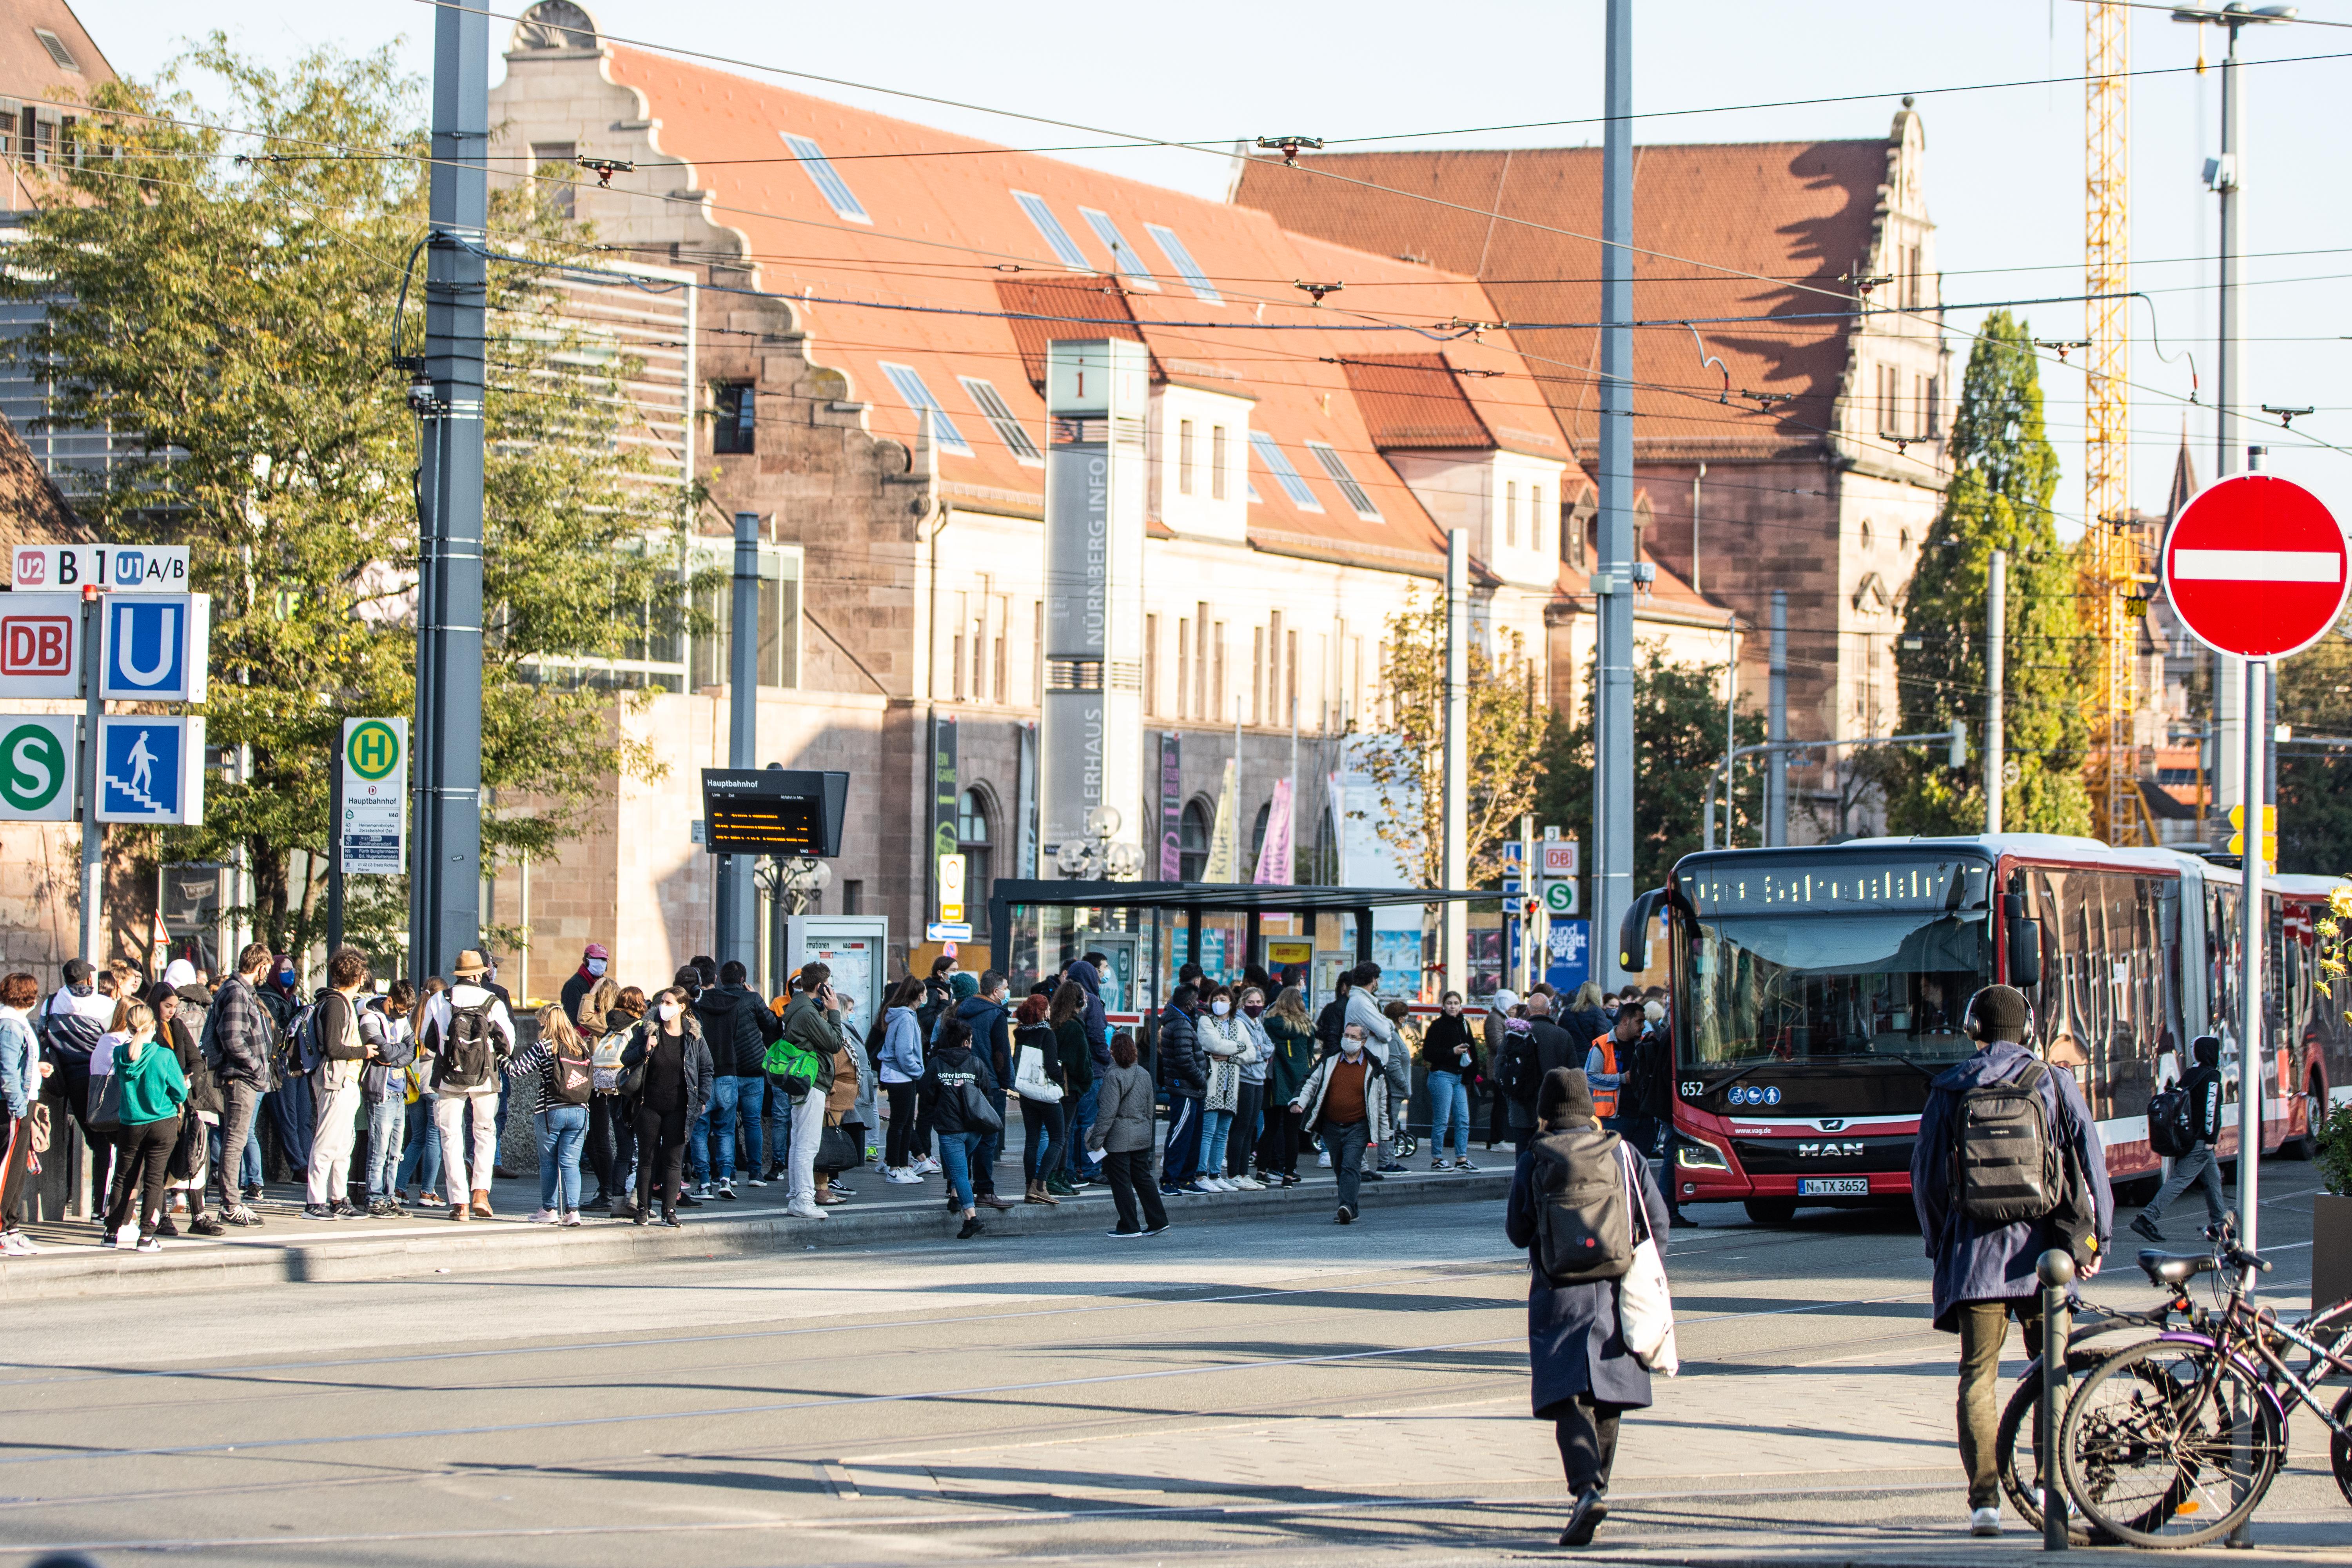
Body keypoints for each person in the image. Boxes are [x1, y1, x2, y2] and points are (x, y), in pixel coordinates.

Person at [1910, 984, 2111, 1538]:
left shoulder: (1950, 1087)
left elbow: (1926, 1179)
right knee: (2053, 1372)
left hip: (1975, 1260)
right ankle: (2050, 1487)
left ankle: (1986, 1504)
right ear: (2027, 1030)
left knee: (1978, 1379)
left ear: (1974, 1029)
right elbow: (2091, 1162)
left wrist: (1941, 1245)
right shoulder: (2054, 1082)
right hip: (2047, 1258)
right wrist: (2097, 1240)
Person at [1505, 1067, 1672, 1548]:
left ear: (1546, 1110)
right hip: (1615, 1292)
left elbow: (1518, 1231)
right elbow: (1657, 1221)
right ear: (1588, 1107)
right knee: (1609, 1396)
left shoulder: (1535, 1157)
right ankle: (1598, 1485)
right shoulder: (1623, 1152)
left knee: (1569, 1397)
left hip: (1558, 1294)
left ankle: (1586, 1489)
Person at [420, 950, 516, 1221]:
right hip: (484, 1076)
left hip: (449, 1074)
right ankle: (481, 1194)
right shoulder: (492, 1001)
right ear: (479, 974)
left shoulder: (440, 999)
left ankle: (459, 1203)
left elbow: (428, 1040)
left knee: (451, 1136)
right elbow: (508, 1043)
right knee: (485, 1132)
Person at [620, 985, 711, 1226]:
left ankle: (669, 1211)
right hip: (648, 1104)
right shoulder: (648, 1030)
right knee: (647, 1158)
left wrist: (702, 1099)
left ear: (682, 1007)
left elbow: (707, 1069)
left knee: (673, 1160)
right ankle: (643, 1208)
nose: (663, 1007)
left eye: (669, 1003)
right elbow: (625, 1059)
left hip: (680, 1107)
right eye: (662, 1002)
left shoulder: (693, 1037)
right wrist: (644, 1048)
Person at [101, 1001, 188, 1253]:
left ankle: (112, 1232)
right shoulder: (164, 1055)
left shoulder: (120, 1054)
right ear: (153, 1026)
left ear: (129, 1027)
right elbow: (180, 1093)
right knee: (154, 1180)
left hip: (130, 1123)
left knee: (123, 1178)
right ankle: (147, 1237)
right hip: (162, 1123)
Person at [691, 958, 780, 1200]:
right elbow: (772, 1024)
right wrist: (754, 997)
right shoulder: (751, 999)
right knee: (751, 1122)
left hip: (721, 1070)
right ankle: (755, 1173)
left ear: (720, 979)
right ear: (743, 979)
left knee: (713, 1127)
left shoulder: (707, 1001)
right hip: (751, 1069)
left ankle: (722, 1176)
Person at [2132, 1033, 2229, 1243]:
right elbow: (2211, 1109)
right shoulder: (2212, 1076)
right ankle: (2147, 1218)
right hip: (2202, 1141)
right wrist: (2210, 1139)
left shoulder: (2191, 1074)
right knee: (2179, 1181)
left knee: (2213, 1181)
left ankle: (2219, 1226)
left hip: (2189, 1137)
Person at [1292, 1022, 1391, 1225]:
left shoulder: (1374, 1066)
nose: (1348, 1040)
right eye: (1346, 1035)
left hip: (1358, 1126)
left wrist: (1385, 1133)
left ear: (1363, 1042)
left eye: (1354, 1037)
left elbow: (1383, 1102)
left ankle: (1345, 1206)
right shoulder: (1330, 1059)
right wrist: (1299, 1102)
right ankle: (1352, 1208)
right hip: (1331, 1125)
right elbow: (1311, 1082)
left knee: (1350, 1165)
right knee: (1339, 1167)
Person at [146, 980, 221, 1238]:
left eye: (174, 1007)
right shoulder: (148, 1029)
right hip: (158, 1105)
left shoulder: (177, 1026)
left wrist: (187, 1077)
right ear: (156, 1004)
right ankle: (161, 1216)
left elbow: (197, 1061)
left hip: (182, 1103)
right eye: (168, 1006)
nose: (172, 1011)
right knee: (160, 1161)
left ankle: (198, 1215)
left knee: (194, 1156)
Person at [207, 944, 275, 1225]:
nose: (266, 975)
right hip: (241, 1076)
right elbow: (232, 1037)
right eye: (267, 969)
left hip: (242, 1075)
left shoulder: (240, 990)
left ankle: (231, 1202)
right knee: (236, 1140)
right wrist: (256, 1066)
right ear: (260, 967)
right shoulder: (237, 991)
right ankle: (230, 1204)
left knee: (235, 1138)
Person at [507, 1004, 593, 1225]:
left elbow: (516, 1070)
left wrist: (500, 1057)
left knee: (549, 1163)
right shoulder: (581, 1045)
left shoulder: (546, 1046)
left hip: (551, 1111)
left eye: (541, 1023)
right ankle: (573, 1212)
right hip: (581, 1111)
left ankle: (549, 1210)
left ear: (546, 1023)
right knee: (571, 1163)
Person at [774, 963, 846, 1221]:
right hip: (812, 1081)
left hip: (805, 1081)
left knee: (799, 1140)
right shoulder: (807, 1012)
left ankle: (797, 1194)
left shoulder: (800, 1007)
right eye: (829, 984)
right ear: (820, 986)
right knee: (808, 1144)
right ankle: (804, 1199)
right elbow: (835, 1043)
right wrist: (834, 1011)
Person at [304, 949, 372, 1220]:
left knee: (344, 1144)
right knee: (326, 1143)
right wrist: (363, 1052)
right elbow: (333, 1047)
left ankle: (338, 1199)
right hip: (335, 1080)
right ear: (358, 977)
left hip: (344, 1081)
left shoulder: (342, 1003)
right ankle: (315, 1202)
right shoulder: (335, 1005)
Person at [916, 1014, 998, 1239]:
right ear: (966, 1042)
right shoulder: (977, 1064)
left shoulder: (936, 1064)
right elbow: (987, 1094)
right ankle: (954, 1196)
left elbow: (926, 1095)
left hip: (950, 1129)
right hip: (975, 1128)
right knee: (960, 1165)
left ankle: (971, 1218)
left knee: (960, 1173)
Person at [950, 971, 1018, 1211]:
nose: (1007, 992)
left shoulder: (962, 1011)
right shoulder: (995, 1015)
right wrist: (1006, 1081)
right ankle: (985, 1190)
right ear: (995, 991)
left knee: (964, 1135)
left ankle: (959, 1189)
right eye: (1005, 988)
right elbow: (1001, 1053)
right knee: (988, 1138)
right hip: (990, 1083)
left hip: (964, 1078)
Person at [1089, 1031, 1168, 1237]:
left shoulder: (1113, 1075)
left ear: (1112, 1052)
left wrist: (1097, 1140)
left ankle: (1129, 1225)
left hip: (1119, 1138)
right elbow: (1150, 1110)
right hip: (1141, 1134)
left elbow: (1107, 1113)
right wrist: (1146, 1131)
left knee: (1121, 1182)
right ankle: (1158, 1221)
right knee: (1143, 1178)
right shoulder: (1144, 1073)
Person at [358, 981, 417, 1216]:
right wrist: (396, 1051)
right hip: (380, 1092)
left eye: (408, 1011)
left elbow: (412, 1050)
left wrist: (393, 1057)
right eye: (401, 1009)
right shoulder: (370, 1018)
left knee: (395, 1152)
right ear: (390, 1001)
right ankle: (374, 1198)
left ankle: (389, 1196)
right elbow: (383, 1051)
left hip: (399, 1092)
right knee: (379, 1150)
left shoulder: (402, 1020)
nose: (404, 1015)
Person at [584, 981, 644, 1213]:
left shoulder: (610, 1026)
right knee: (642, 1151)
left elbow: (584, 1018)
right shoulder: (639, 1027)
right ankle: (636, 1200)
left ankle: (617, 1203)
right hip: (633, 1093)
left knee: (623, 1151)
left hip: (612, 1092)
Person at [1344, 965, 1407, 1172]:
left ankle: (1377, 1164)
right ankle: (1361, 1167)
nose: (1378, 983)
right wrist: (1383, 1027)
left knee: (1377, 1115)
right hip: (1366, 1067)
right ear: (1372, 980)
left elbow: (1384, 1026)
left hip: (1373, 1067)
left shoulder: (1367, 1001)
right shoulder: (1361, 1002)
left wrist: (1383, 1026)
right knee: (1364, 1116)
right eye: (1377, 979)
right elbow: (1386, 1032)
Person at [1006, 993, 1065, 1207]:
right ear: (1043, 1012)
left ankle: (1029, 1187)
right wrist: (1061, 1084)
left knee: (1032, 1139)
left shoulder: (1020, 1034)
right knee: (1058, 1138)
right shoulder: (1047, 1034)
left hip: (1026, 1093)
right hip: (1044, 1092)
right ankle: (1040, 1186)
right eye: (1047, 1008)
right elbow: (1051, 1065)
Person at [1258, 986, 1316, 1186]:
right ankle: (1289, 1175)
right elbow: (1309, 1054)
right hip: (1298, 1083)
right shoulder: (1306, 1027)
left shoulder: (1269, 1025)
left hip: (1274, 1082)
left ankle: (1261, 1171)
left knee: (1270, 1129)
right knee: (1292, 1132)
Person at [1063, 954, 1112, 1185]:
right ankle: (1091, 1169)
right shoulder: (1091, 1000)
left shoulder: (1065, 999)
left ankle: (1071, 1168)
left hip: (1071, 1070)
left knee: (1072, 1124)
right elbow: (1097, 1037)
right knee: (1090, 1122)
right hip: (1093, 1070)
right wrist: (1107, 1058)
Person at [398, 978, 447, 1209]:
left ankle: (398, 1187)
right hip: (434, 1086)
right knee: (434, 1138)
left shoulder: (412, 1018)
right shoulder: (438, 1016)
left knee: (417, 1138)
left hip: (414, 1085)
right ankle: (427, 1192)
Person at [1196, 985, 1249, 1192]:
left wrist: (1230, 1057)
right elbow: (1214, 1044)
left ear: (1232, 1003)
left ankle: (1215, 1174)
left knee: (1222, 1134)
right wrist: (1239, 1047)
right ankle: (1201, 1174)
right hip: (1212, 1086)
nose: (1219, 1003)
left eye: (1224, 999)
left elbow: (1252, 1053)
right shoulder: (1206, 1021)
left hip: (1231, 1088)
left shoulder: (1239, 1025)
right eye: (1216, 999)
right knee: (1207, 1132)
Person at [1156, 983, 1207, 1196]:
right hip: (1186, 1089)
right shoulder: (1180, 1025)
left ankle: (1186, 1179)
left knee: (1192, 1137)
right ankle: (1170, 1180)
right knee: (1181, 1136)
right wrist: (1202, 1081)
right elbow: (1185, 1060)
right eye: (1195, 1001)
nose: (1198, 1004)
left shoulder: (1181, 1022)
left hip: (1191, 1089)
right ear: (1189, 1004)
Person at [876, 975, 927, 1183]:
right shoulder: (906, 1018)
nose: (926, 997)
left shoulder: (905, 1015)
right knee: (900, 1124)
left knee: (905, 1123)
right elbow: (904, 1053)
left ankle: (903, 1166)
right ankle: (894, 1168)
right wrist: (918, 1071)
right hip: (901, 1076)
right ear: (918, 996)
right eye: (924, 994)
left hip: (901, 1075)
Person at [1047, 977, 1094, 1195]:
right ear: (1079, 1002)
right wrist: (1086, 1082)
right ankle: (1056, 1176)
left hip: (1054, 1086)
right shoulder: (1074, 1027)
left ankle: (1056, 1176)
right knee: (1063, 1134)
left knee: (1057, 1133)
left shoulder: (1055, 1023)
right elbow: (1081, 1064)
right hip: (1069, 1089)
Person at [1422, 991, 1479, 1172]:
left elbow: (1473, 1051)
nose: (1453, 1007)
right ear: (1443, 1005)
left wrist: (1471, 1074)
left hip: (1459, 1077)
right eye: (1449, 1003)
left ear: (1461, 1005)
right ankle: (1437, 1159)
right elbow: (1428, 1054)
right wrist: (1451, 1052)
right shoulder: (1437, 1026)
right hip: (1441, 1075)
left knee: (1463, 1119)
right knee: (1442, 1120)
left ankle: (1462, 1159)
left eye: (1456, 1003)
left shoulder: (1464, 1024)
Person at [1231, 985, 1274, 1187]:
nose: (1255, 1006)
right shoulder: (1241, 1022)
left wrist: (1259, 1049)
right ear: (1243, 1003)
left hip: (1258, 1079)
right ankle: (1235, 1174)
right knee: (1241, 1127)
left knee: (1251, 1129)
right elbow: (1249, 1053)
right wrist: (1258, 1050)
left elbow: (1270, 1047)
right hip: (1245, 1079)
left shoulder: (1257, 1023)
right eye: (1251, 1002)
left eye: (1258, 1002)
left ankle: (1244, 1174)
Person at [558, 943, 610, 1028]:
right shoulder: (574, 985)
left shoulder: (605, 983)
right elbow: (573, 1019)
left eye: (603, 959)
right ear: (585, 960)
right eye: (595, 959)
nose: (600, 962)